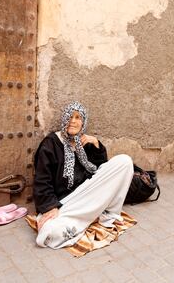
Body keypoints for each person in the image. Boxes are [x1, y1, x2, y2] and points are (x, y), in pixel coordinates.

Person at [33, 101, 134, 249]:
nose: (73, 121)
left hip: (88, 193)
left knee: (125, 161)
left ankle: (105, 213)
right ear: (64, 119)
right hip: (66, 202)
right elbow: (42, 181)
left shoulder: (85, 142)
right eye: (70, 117)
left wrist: (96, 144)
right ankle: (93, 215)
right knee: (49, 233)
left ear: (83, 122)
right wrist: (50, 207)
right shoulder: (50, 144)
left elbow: (102, 169)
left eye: (78, 117)